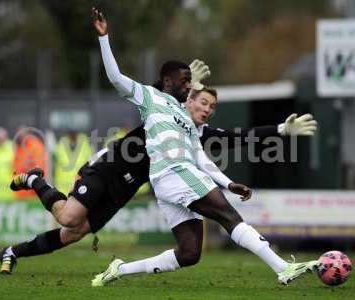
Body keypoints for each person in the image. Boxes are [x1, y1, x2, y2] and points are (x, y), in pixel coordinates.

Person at [0, 15, 317, 280]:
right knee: (69, 218)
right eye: (199, 98)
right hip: (113, 170)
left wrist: (275, 134)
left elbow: (217, 148)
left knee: (76, 231)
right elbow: (126, 82)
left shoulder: (187, 124)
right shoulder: (156, 102)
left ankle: (32, 252)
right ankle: (282, 267)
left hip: (134, 185)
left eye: (210, 105)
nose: (205, 108)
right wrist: (105, 38)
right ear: (182, 90)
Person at [90, 7, 317, 287]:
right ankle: (283, 268)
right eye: (185, 81)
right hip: (173, 172)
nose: (189, 86)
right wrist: (104, 37)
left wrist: (228, 183)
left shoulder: (184, 116)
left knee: (189, 253)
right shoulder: (150, 97)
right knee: (228, 215)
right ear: (168, 81)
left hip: (169, 179)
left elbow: (199, 154)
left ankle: (120, 269)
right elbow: (115, 77)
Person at [54, 130, 94, 195]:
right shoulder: (60, 145)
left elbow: (91, 165)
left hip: (80, 188)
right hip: (62, 189)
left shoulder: (86, 144)